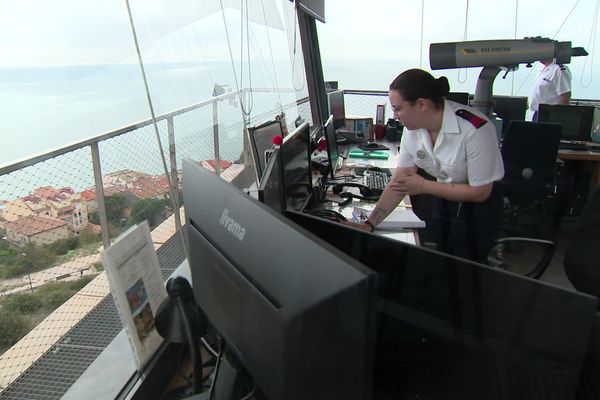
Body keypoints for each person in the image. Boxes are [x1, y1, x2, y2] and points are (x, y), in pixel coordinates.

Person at [350, 69, 504, 264]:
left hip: (479, 206)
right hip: (444, 196)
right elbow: (401, 180)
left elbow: (480, 192)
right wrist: (370, 223)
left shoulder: (475, 129)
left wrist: (424, 186)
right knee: (443, 258)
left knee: (469, 267)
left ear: (421, 104)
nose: (395, 116)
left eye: (398, 109)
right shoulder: (412, 129)